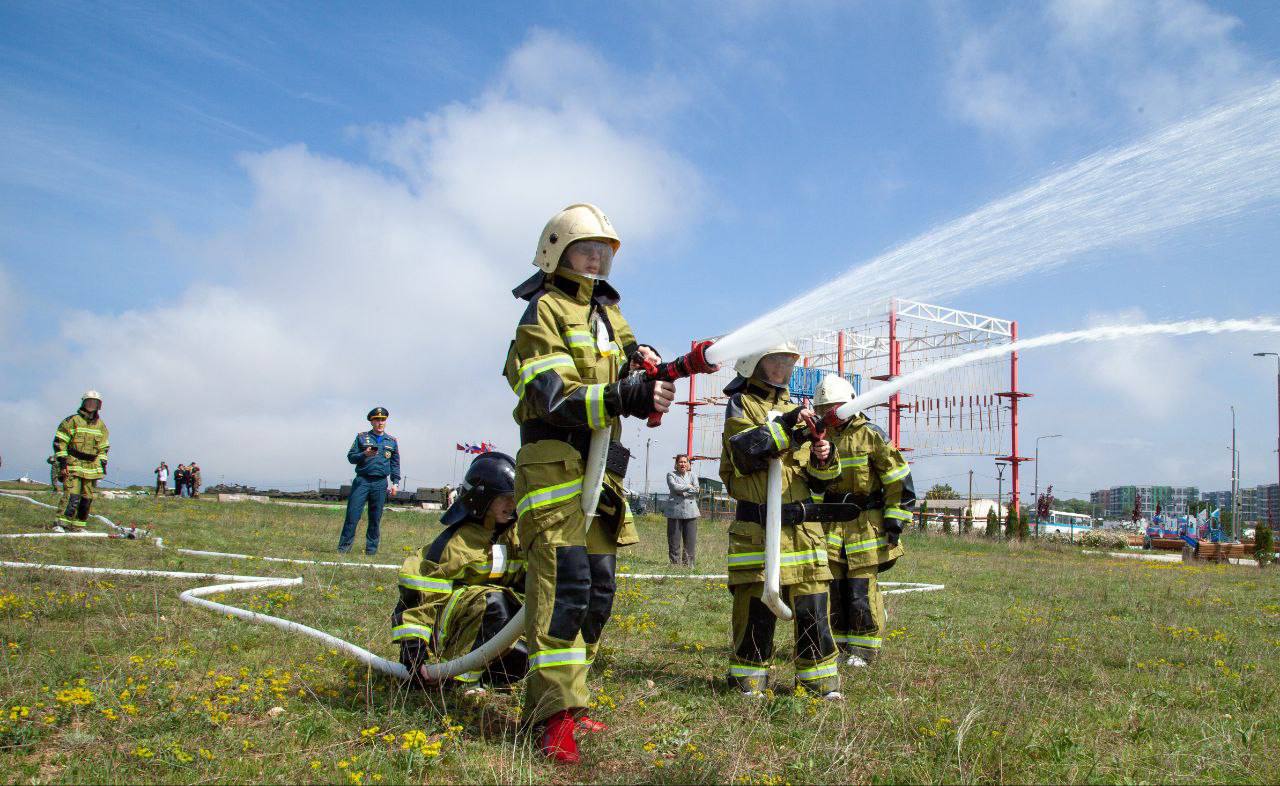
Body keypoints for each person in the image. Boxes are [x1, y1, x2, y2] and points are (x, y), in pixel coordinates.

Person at [503, 203, 714, 763]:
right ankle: (550, 719)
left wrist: (672, 370)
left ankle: (574, 702)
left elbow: (632, 373)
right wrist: (628, 395)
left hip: (603, 474)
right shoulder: (541, 312)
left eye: (605, 251)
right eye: (585, 249)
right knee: (563, 589)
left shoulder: (609, 315)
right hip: (557, 472)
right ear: (555, 252)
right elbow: (552, 397)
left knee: (598, 591)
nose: (597, 259)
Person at [719, 344, 844, 699]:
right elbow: (747, 450)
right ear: (753, 364)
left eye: (788, 362)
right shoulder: (741, 405)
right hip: (758, 529)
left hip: (803, 532)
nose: (782, 368)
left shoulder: (796, 410)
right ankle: (748, 681)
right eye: (775, 360)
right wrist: (789, 427)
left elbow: (820, 480)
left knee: (814, 605)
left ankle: (818, 684)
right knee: (756, 607)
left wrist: (824, 457)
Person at [394, 452, 527, 692]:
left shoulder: (515, 536)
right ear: (483, 499)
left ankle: (484, 677)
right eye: (504, 498)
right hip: (454, 624)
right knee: (493, 602)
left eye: (515, 497)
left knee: (522, 655)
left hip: (493, 620)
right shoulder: (456, 542)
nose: (512, 505)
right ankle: (456, 680)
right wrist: (413, 644)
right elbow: (423, 595)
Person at [812, 375, 915, 666]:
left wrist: (895, 521)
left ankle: (865, 650)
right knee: (833, 587)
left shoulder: (871, 434)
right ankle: (839, 644)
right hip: (831, 526)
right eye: (822, 409)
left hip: (864, 526)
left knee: (860, 589)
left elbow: (898, 480)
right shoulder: (818, 436)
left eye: (832, 407)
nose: (826, 414)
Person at [338, 407, 400, 555]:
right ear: (371, 422)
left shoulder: (391, 441)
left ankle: (371, 551)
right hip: (362, 481)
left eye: (383, 420)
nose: (380, 422)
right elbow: (351, 457)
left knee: (375, 518)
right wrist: (364, 454)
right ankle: (343, 549)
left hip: (380, 483)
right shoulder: (361, 437)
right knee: (353, 515)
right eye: (377, 420)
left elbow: (395, 464)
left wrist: (395, 483)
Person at [51, 390, 110, 532]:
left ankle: (79, 525)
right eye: (89, 402)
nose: (91, 405)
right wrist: (63, 463)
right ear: (83, 403)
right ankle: (61, 524)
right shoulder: (72, 421)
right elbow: (60, 442)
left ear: (99, 406)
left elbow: (103, 448)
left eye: (95, 403)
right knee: (72, 495)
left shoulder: (101, 426)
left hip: (91, 466)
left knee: (87, 497)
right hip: (73, 463)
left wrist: (102, 464)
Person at [664, 454, 700, 566]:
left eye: (685, 462)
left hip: (691, 511)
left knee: (690, 541)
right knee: (674, 540)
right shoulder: (671, 474)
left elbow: (697, 489)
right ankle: (674, 564)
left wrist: (682, 491)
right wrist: (689, 486)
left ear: (688, 464)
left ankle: (689, 565)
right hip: (674, 511)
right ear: (676, 464)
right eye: (680, 462)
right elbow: (674, 487)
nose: (683, 464)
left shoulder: (693, 475)